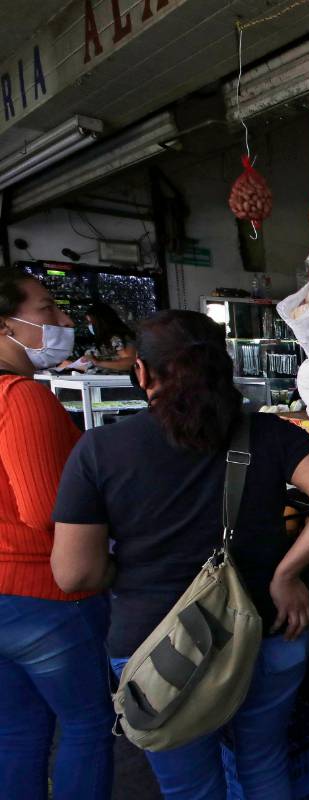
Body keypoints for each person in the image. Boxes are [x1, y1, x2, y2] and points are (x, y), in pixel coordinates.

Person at [51, 310, 309, 800]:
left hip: (160, 648)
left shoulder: (100, 449)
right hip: (268, 627)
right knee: (263, 762)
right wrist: (287, 573)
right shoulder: (269, 433)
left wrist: (128, 570)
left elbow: (74, 574)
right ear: (225, 366)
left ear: (143, 374)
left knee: (191, 787)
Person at [0, 269, 114, 799]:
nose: (63, 321)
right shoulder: (20, 397)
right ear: (6, 325)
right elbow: (48, 511)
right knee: (89, 726)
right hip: (45, 596)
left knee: (19, 731)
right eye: (47, 309)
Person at [79, 302, 137, 372]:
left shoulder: (118, 338)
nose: (89, 326)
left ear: (100, 322)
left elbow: (129, 362)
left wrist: (98, 362)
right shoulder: (105, 339)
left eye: (91, 322)